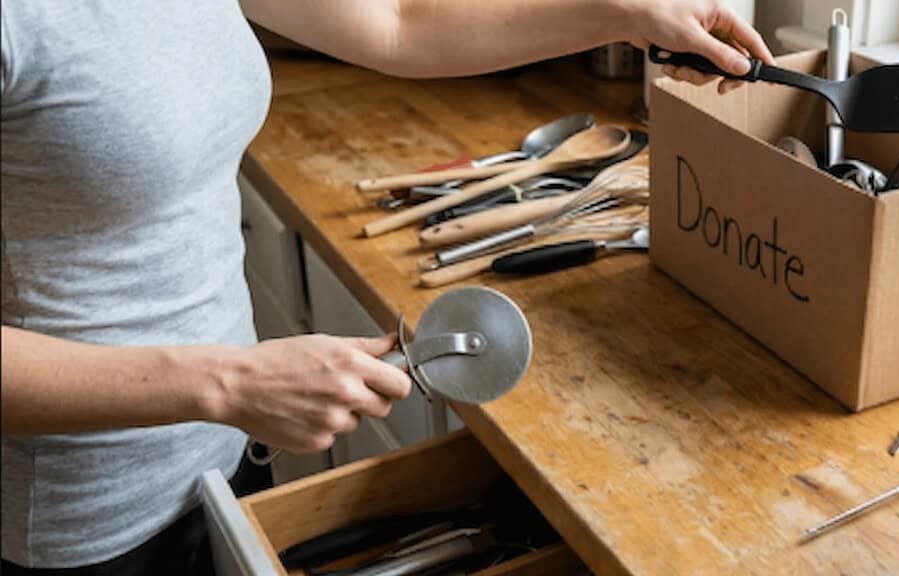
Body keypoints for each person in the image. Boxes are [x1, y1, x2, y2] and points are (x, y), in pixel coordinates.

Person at [0, 1, 773, 573]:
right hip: (82, 522)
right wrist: (228, 382)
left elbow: (399, 24)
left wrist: (622, 12)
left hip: (220, 459)